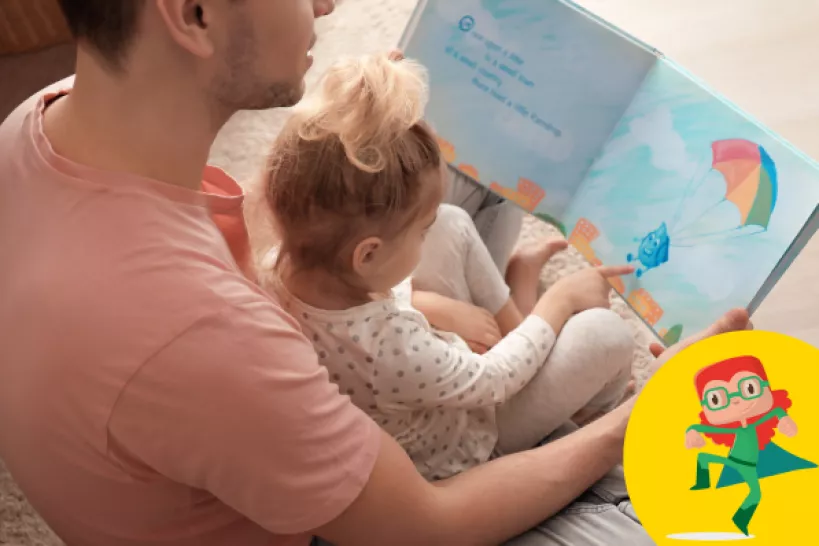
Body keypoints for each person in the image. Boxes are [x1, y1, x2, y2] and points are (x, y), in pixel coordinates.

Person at [0, 1, 752, 545]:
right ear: (192, 15)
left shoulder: (40, 123)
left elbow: (270, 234)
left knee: (435, 180)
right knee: (732, 495)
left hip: (263, 415)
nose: (327, 6)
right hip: (389, 513)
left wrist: (348, 136)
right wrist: (645, 415)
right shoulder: (205, 338)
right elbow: (429, 526)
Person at [261, 52, 634, 479]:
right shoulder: (388, 346)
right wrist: (561, 302)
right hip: (474, 436)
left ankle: (519, 309)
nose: (425, 237)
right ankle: (583, 419)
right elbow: (494, 377)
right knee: (605, 334)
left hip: (436, 371)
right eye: (420, 232)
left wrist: (428, 303)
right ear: (366, 255)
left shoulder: (282, 265)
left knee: (452, 222)